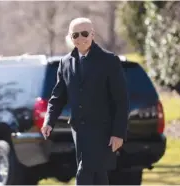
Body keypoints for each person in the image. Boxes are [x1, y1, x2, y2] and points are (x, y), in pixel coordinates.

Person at [41, 17, 129, 185]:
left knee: (85, 170)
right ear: (70, 37)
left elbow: (121, 100)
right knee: (98, 174)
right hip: (79, 130)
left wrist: (118, 133)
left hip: (102, 130)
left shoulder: (109, 61)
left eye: (84, 34)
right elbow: (58, 97)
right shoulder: (65, 63)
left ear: (92, 34)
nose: (80, 39)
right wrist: (49, 121)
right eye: (75, 35)